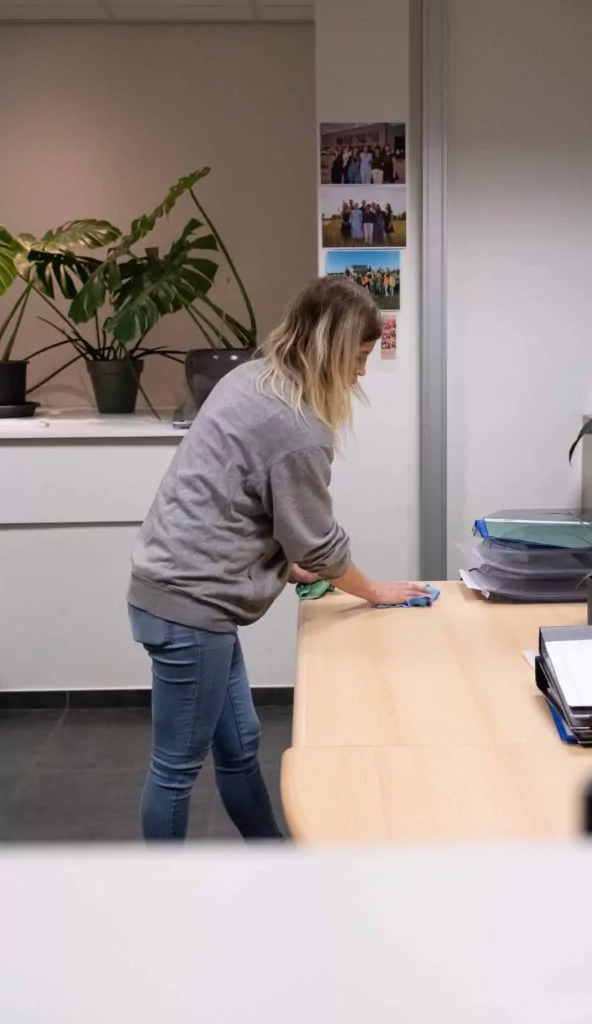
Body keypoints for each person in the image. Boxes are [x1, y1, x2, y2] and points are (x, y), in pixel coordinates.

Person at [128, 278, 429, 842]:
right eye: (359, 357)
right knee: (175, 768)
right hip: (189, 604)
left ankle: (275, 861)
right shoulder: (296, 425)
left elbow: (232, 496)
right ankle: (159, 900)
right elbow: (316, 541)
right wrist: (372, 590)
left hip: (192, 593)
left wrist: (275, 561)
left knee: (240, 748)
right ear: (332, 348)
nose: (363, 372)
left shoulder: (251, 378)